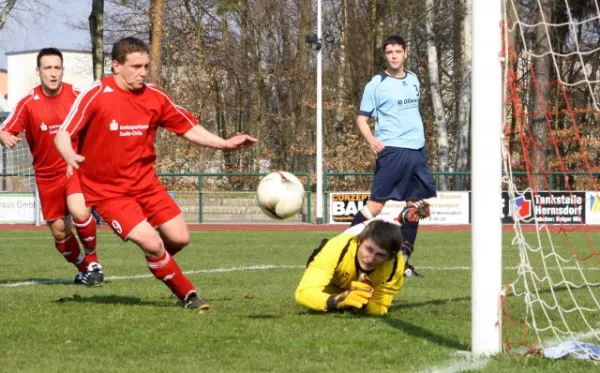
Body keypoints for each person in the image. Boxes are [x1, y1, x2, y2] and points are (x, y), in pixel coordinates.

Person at [54, 36, 257, 310]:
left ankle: (157, 259)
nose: (143, 72)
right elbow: (64, 133)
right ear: (116, 66)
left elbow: (187, 128)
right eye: (136, 66)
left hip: (147, 184)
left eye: (146, 66)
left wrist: (223, 143)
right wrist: (68, 153)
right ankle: (188, 295)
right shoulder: (97, 94)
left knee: (180, 239)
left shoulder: (155, 97)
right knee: (152, 243)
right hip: (108, 192)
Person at [0, 47, 103, 286]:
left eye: (57, 68)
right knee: (59, 233)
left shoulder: (77, 95)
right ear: (39, 72)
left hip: (74, 168)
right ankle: (85, 269)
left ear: (63, 70)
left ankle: (93, 261)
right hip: (46, 177)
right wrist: (4, 136)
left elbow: (99, 117)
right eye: (48, 68)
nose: (53, 73)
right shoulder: (28, 102)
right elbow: (6, 128)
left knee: (79, 212)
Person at [351, 35, 437, 277]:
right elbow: (361, 118)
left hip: (417, 150)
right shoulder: (375, 84)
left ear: (405, 53)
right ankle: (348, 250)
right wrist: (371, 140)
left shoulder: (414, 79)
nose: (394, 55)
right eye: (390, 52)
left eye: (398, 51)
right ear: (385, 56)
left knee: (416, 206)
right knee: (376, 206)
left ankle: (403, 261)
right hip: (393, 151)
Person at [295, 201, 430, 316]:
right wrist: (340, 301)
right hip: (330, 286)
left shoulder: (396, 264)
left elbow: (381, 306)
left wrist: (365, 304)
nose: (370, 259)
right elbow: (303, 294)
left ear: (390, 257)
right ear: (359, 241)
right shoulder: (337, 248)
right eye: (369, 249)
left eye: (380, 255)